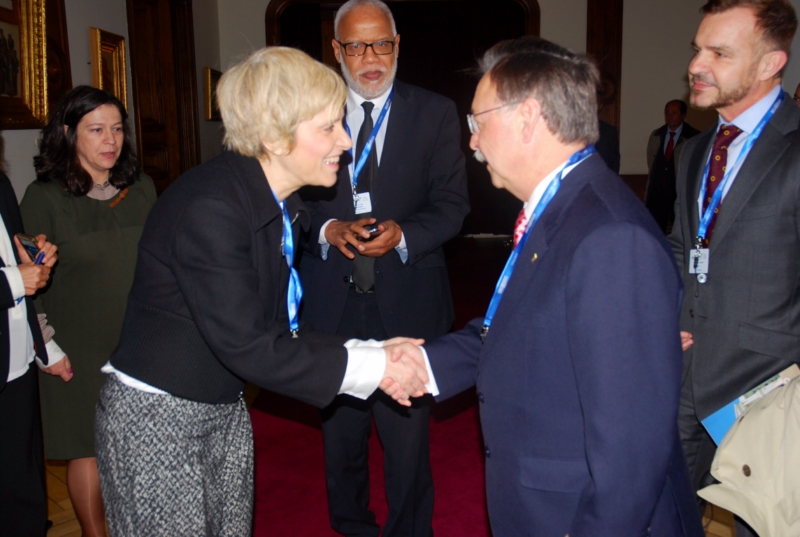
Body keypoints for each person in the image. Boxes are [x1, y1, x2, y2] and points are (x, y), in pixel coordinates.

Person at [94, 47, 430, 537]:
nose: (345, 141)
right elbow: (249, 344)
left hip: (222, 407)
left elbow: (278, 329)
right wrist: (376, 367)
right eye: (328, 127)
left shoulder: (274, 200)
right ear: (274, 137)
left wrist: (372, 348)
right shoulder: (212, 207)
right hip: (158, 421)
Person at [395, 36, 704, 536]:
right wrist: (425, 365)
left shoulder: (609, 237)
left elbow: (629, 457)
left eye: (477, 122)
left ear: (527, 117)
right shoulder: (563, 208)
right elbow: (519, 327)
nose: (471, 141)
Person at [298, 1, 469, 535]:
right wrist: (327, 230)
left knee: (408, 448)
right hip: (334, 305)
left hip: (408, 303)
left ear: (399, 43)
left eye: (382, 44)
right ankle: (352, 527)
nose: (370, 58)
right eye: (355, 46)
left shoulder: (435, 112)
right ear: (335, 50)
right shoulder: (310, 111)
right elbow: (292, 200)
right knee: (341, 444)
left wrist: (406, 235)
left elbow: (452, 205)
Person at [668, 1, 799, 535]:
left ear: (770, 64)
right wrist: (667, 316)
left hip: (766, 384)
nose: (697, 65)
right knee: (665, 508)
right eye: (698, 49)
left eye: (719, 53)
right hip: (682, 370)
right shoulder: (696, 151)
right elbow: (683, 247)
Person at [19, 85, 155, 537]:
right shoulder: (43, 197)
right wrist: (48, 347)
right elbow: (26, 281)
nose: (110, 140)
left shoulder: (141, 188)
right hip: (75, 342)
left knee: (140, 445)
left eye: (116, 129)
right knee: (88, 448)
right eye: (96, 130)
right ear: (67, 133)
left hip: (136, 338)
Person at [0, 171, 61, 536]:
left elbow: (17, 261)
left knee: (24, 491)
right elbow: (12, 279)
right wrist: (12, 281)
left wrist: (35, 260)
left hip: (15, 360)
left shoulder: (1, 184)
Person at [644, 100, 700, 233]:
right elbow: (651, 161)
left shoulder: (694, 137)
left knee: (681, 231)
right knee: (654, 231)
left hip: (679, 193)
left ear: (683, 115)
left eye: (674, 113)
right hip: (656, 193)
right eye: (667, 113)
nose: (670, 116)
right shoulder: (656, 135)